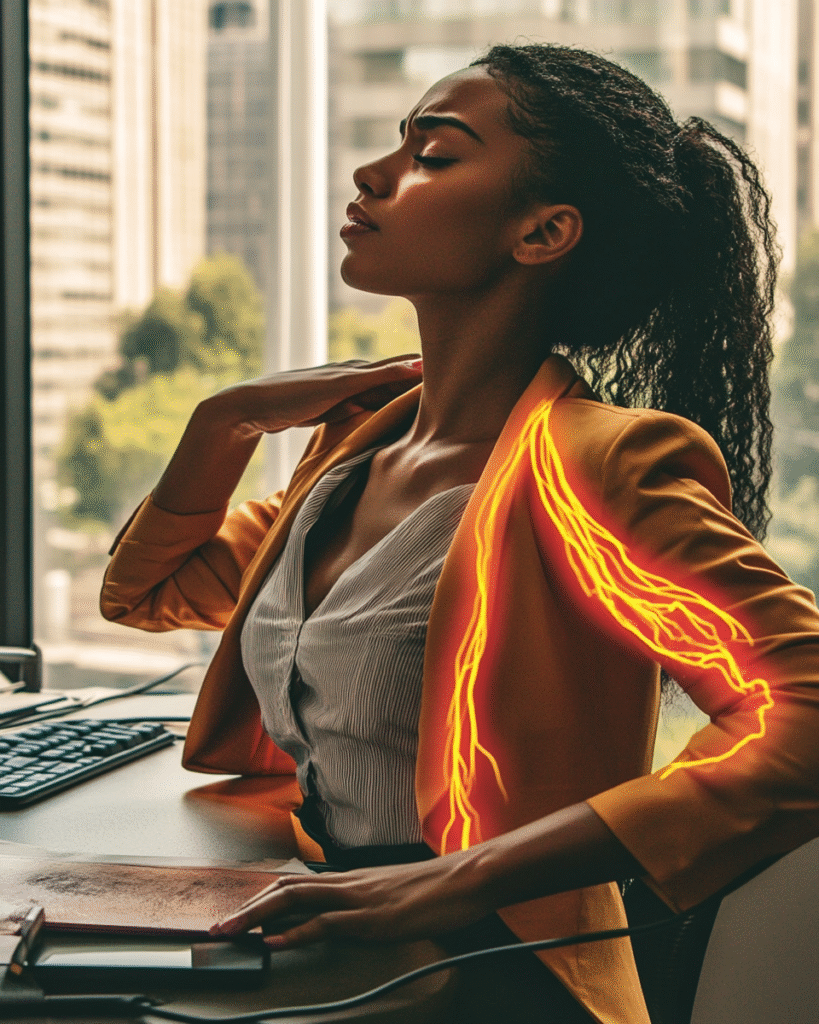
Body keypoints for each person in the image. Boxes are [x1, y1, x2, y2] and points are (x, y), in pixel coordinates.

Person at [101, 44, 819, 1024]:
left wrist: (453, 881)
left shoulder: (597, 469)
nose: (375, 173)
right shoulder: (359, 455)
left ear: (543, 231)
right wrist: (223, 421)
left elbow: (804, 710)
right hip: (322, 925)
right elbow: (146, 594)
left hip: (486, 972)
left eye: (434, 154)